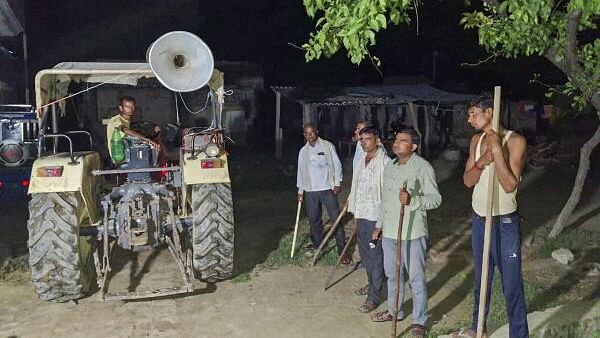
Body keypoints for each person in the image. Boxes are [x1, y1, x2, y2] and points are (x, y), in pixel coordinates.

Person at [454, 99, 529, 338]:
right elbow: (467, 181)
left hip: (505, 222)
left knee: (511, 283)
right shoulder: (476, 141)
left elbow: (509, 185)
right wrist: (481, 161)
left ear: (489, 112)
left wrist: (496, 151)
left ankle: (518, 334)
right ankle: (478, 328)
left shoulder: (515, 141)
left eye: (473, 114)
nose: (469, 119)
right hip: (479, 219)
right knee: (482, 278)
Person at [370, 128, 441, 338]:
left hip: (413, 232)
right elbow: (386, 201)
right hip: (391, 231)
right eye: (396, 140)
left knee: (416, 278)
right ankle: (395, 311)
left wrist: (413, 201)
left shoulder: (423, 168)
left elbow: (436, 199)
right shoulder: (390, 167)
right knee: (393, 275)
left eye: (403, 141)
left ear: (413, 146)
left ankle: (420, 320)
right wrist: (379, 226)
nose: (397, 144)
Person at [347, 125, 389, 313]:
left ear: (377, 140)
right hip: (362, 215)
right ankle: (372, 283)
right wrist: (353, 209)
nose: (364, 143)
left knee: (375, 256)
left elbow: (388, 195)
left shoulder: (385, 162)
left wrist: (381, 224)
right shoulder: (361, 160)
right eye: (361, 139)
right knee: (365, 255)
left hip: (376, 219)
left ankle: (373, 296)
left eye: (367, 139)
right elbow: (356, 186)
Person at [297, 123, 350, 264]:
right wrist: (300, 190)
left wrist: (337, 182)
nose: (310, 136)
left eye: (312, 133)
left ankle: (342, 250)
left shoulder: (327, 146)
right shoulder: (303, 151)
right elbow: (300, 172)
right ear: (304, 135)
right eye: (307, 134)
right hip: (310, 191)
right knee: (314, 220)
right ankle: (318, 245)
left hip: (327, 189)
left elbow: (337, 164)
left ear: (317, 132)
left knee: (335, 220)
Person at [106, 96, 160, 161]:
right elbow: (125, 130)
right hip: (120, 157)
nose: (130, 109)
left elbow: (137, 133)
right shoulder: (116, 120)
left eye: (132, 106)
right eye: (127, 107)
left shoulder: (129, 121)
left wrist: (152, 130)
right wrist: (148, 140)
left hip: (129, 154)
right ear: (121, 108)